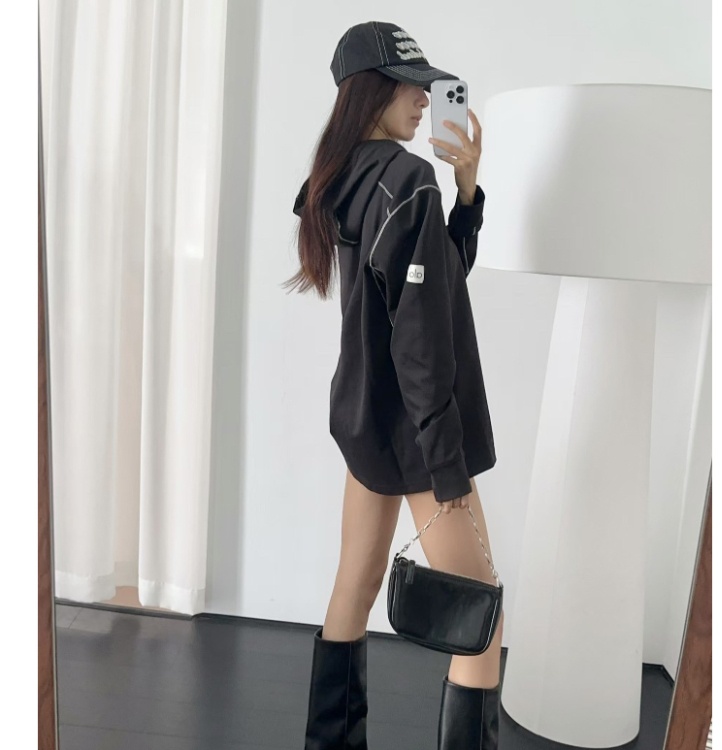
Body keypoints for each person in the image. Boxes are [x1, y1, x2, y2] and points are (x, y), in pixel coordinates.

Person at [286, 21, 503, 750]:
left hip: (365, 418)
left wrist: (466, 193)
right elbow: (421, 339)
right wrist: (446, 466)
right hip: (416, 428)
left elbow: (433, 285)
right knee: (482, 620)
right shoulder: (406, 180)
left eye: (425, 86)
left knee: (356, 581)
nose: (423, 99)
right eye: (409, 84)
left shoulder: (341, 177)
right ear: (370, 90)